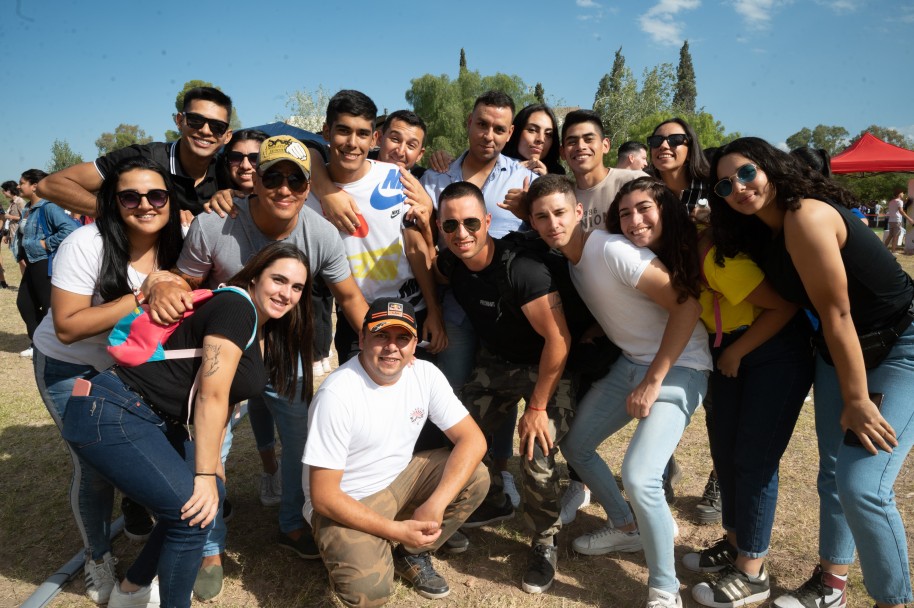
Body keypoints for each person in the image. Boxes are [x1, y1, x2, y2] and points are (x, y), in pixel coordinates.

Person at [147, 135, 367, 597]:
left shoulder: (321, 232)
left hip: (290, 356)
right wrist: (162, 282)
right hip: (225, 354)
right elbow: (183, 283)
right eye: (273, 177)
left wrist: (385, 344)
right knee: (211, 447)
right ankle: (208, 544)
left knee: (304, 441)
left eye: (296, 179)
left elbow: (349, 299)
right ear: (253, 182)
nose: (284, 189)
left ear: (308, 187)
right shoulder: (216, 226)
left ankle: (292, 522)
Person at [709, 137, 914, 608]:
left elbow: (838, 312)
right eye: (725, 185)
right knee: (833, 472)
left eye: (746, 173)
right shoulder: (763, 230)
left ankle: (894, 600)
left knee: (863, 485)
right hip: (836, 350)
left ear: (769, 167)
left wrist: (858, 400)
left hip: (899, 343)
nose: (739, 188)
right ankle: (832, 585)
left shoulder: (806, 216)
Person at [62, 241, 312, 608]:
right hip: (112, 410)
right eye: (279, 280)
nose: (286, 293)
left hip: (148, 417)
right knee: (190, 513)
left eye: (297, 287)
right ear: (255, 277)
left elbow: (223, 400)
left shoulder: (260, 328)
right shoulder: (237, 307)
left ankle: (132, 589)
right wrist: (205, 476)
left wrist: (212, 467)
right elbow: (210, 394)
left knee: (207, 500)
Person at [528, 175, 711, 608]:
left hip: (682, 365)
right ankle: (627, 525)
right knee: (577, 445)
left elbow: (687, 306)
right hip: (631, 362)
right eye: (542, 217)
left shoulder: (610, 249)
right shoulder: (573, 262)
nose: (553, 223)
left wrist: (653, 381)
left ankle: (664, 589)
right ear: (533, 224)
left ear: (578, 211)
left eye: (560, 212)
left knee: (641, 476)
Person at [31, 157, 184, 604]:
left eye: (156, 195)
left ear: (171, 202)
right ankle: (98, 558)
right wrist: (142, 296)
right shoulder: (86, 242)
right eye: (129, 196)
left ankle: (143, 519)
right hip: (70, 366)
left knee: (147, 451)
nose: (144, 205)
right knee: (96, 469)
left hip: (132, 366)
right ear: (112, 204)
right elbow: (67, 326)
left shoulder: (178, 243)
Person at [434, 181, 579, 595]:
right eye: (450, 225)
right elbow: (427, 263)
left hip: (547, 367)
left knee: (535, 453)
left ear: (488, 222)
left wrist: (536, 408)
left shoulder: (522, 270)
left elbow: (559, 340)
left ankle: (545, 540)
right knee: (460, 436)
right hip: (497, 364)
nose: (461, 233)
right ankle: (494, 498)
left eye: (470, 223)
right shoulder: (452, 263)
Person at [304, 297, 488, 607]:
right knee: (371, 592)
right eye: (381, 335)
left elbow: (473, 440)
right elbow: (323, 496)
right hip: (348, 500)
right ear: (362, 338)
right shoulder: (338, 393)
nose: (392, 347)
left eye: (402, 337)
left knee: (476, 475)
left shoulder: (424, 374)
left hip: (398, 481)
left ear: (415, 345)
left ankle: (410, 554)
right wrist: (395, 530)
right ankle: (384, 543)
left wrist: (436, 504)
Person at [681, 203, 815, 606]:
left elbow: (784, 306)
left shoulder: (711, 256)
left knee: (754, 460)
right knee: (725, 453)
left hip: (771, 350)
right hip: (730, 346)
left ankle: (752, 571)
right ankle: (737, 544)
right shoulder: (683, 251)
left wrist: (737, 351)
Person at [307, 90, 444, 363]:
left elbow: (416, 247)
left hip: (413, 311)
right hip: (355, 318)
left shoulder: (397, 179)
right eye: (343, 131)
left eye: (361, 134)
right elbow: (289, 148)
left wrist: (435, 312)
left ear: (373, 138)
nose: (352, 143)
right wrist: (325, 189)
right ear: (326, 132)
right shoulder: (307, 194)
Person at [36, 87, 235, 222]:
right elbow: (50, 185)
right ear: (180, 121)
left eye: (217, 126)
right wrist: (124, 210)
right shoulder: (143, 158)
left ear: (226, 136)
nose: (206, 131)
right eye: (196, 121)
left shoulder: (228, 170)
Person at [16, 168, 78, 358]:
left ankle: (53, 347)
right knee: (24, 303)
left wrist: (46, 243)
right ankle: (39, 343)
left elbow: (70, 228)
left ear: (35, 186)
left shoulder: (48, 207)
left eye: (22, 183)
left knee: (49, 306)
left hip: (45, 262)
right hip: (33, 261)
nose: (18, 186)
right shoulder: (27, 208)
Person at [559, 109, 647, 233]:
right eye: (572, 142)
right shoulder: (564, 199)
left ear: (605, 145)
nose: (580, 146)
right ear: (562, 152)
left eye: (589, 139)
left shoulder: (635, 182)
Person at [648, 117, 711, 216]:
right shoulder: (645, 192)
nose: (663, 145)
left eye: (675, 139)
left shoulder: (714, 189)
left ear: (690, 151)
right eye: (656, 141)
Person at [501, 103, 566, 176]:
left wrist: (547, 181)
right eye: (532, 130)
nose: (541, 139)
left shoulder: (558, 176)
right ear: (515, 131)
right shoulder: (495, 165)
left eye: (548, 134)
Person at [2, 179, 24, 270]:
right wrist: (7, 235)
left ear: (9, 190)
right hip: (13, 234)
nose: (3, 193)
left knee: (22, 261)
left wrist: (10, 216)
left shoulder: (20, 202)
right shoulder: (12, 203)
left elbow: (26, 218)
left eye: (4, 190)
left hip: (19, 235)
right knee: (19, 261)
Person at [883, 188, 912, 253]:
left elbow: (896, 208)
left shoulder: (891, 202)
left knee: (890, 235)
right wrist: (909, 219)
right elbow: (901, 211)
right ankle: (893, 251)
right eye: (902, 193)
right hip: (897, 220)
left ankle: (883, 249)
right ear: (899, 194)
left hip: (891, 220)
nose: (903, 194)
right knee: (896, 236)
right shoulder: (899, 201)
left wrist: (905, 202)